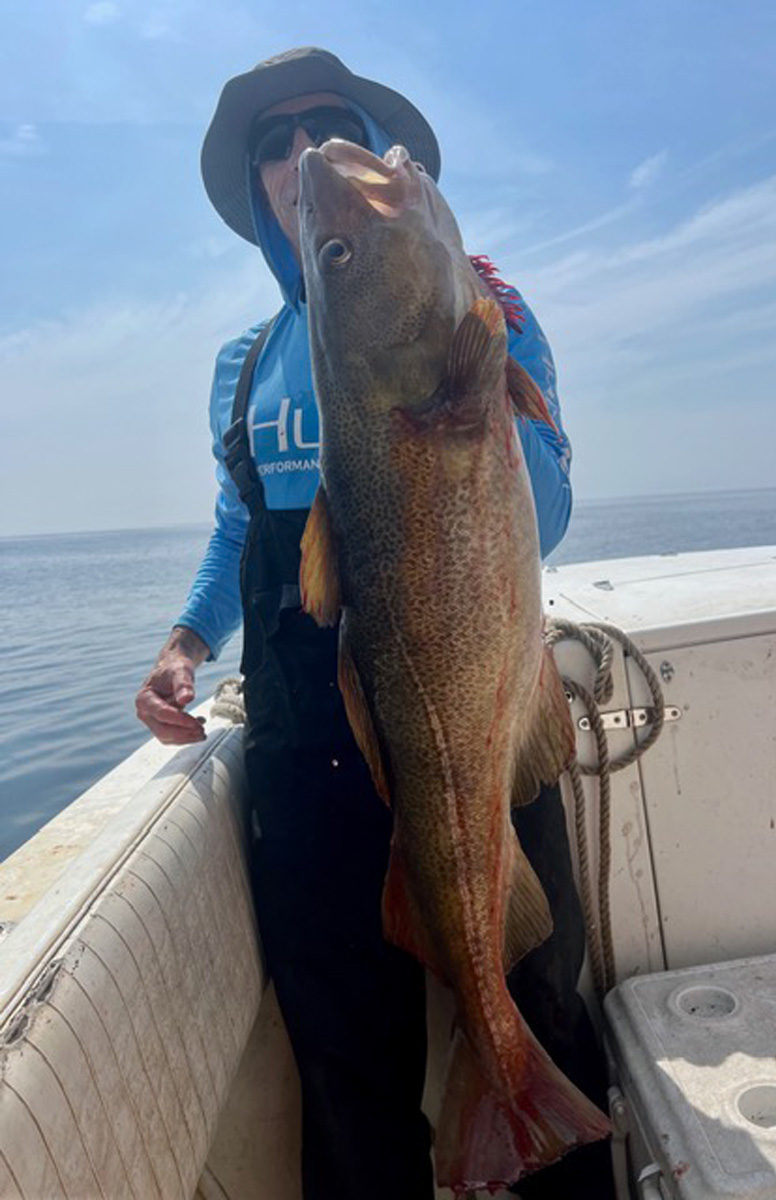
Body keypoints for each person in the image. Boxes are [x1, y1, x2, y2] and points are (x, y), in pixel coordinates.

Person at [136, 46, 611, 1200]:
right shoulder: (242, 367)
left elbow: (540, 514)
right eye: (276, 145)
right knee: (344, 1044)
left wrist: (484, 374)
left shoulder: (486, 310)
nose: (303, 158)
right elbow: (236, 529)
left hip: (475, 697)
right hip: (309, 738)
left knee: (542, 988)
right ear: (258, 195)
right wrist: (187, 642)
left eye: (326, 127)